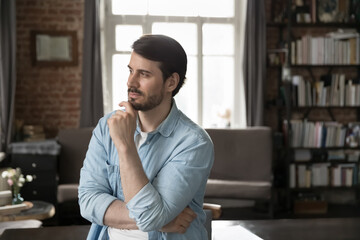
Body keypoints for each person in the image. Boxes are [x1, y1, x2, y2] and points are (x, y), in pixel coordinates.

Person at [78, 34, 214, 240]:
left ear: (171, 82)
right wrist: (163, 220)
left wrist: (125, 147)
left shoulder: (193, 142)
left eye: (144, 74)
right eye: (131, 71)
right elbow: (87, 201)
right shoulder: (107, 126)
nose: (131, 82)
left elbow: (150, 218)